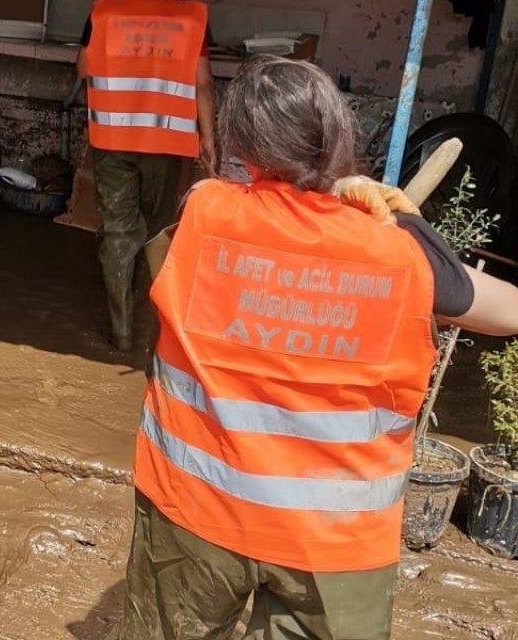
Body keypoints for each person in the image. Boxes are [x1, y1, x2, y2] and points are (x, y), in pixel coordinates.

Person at [120, 55, 518, 640]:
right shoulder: (402, 250)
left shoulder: (204, 211)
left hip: (195, 514)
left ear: (239, 146)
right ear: (336, 138)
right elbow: (508, 311)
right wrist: (412, 231)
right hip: (336, 542)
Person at [78, 0, 217, 350]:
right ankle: (153, 326)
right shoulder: (192, 14)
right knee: (156, 231)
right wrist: (209, 140)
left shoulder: (103, 12)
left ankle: (121, 332)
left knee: (118, 233)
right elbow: (202, 82)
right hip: (166, 139)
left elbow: (83, 69)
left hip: (112, 135)